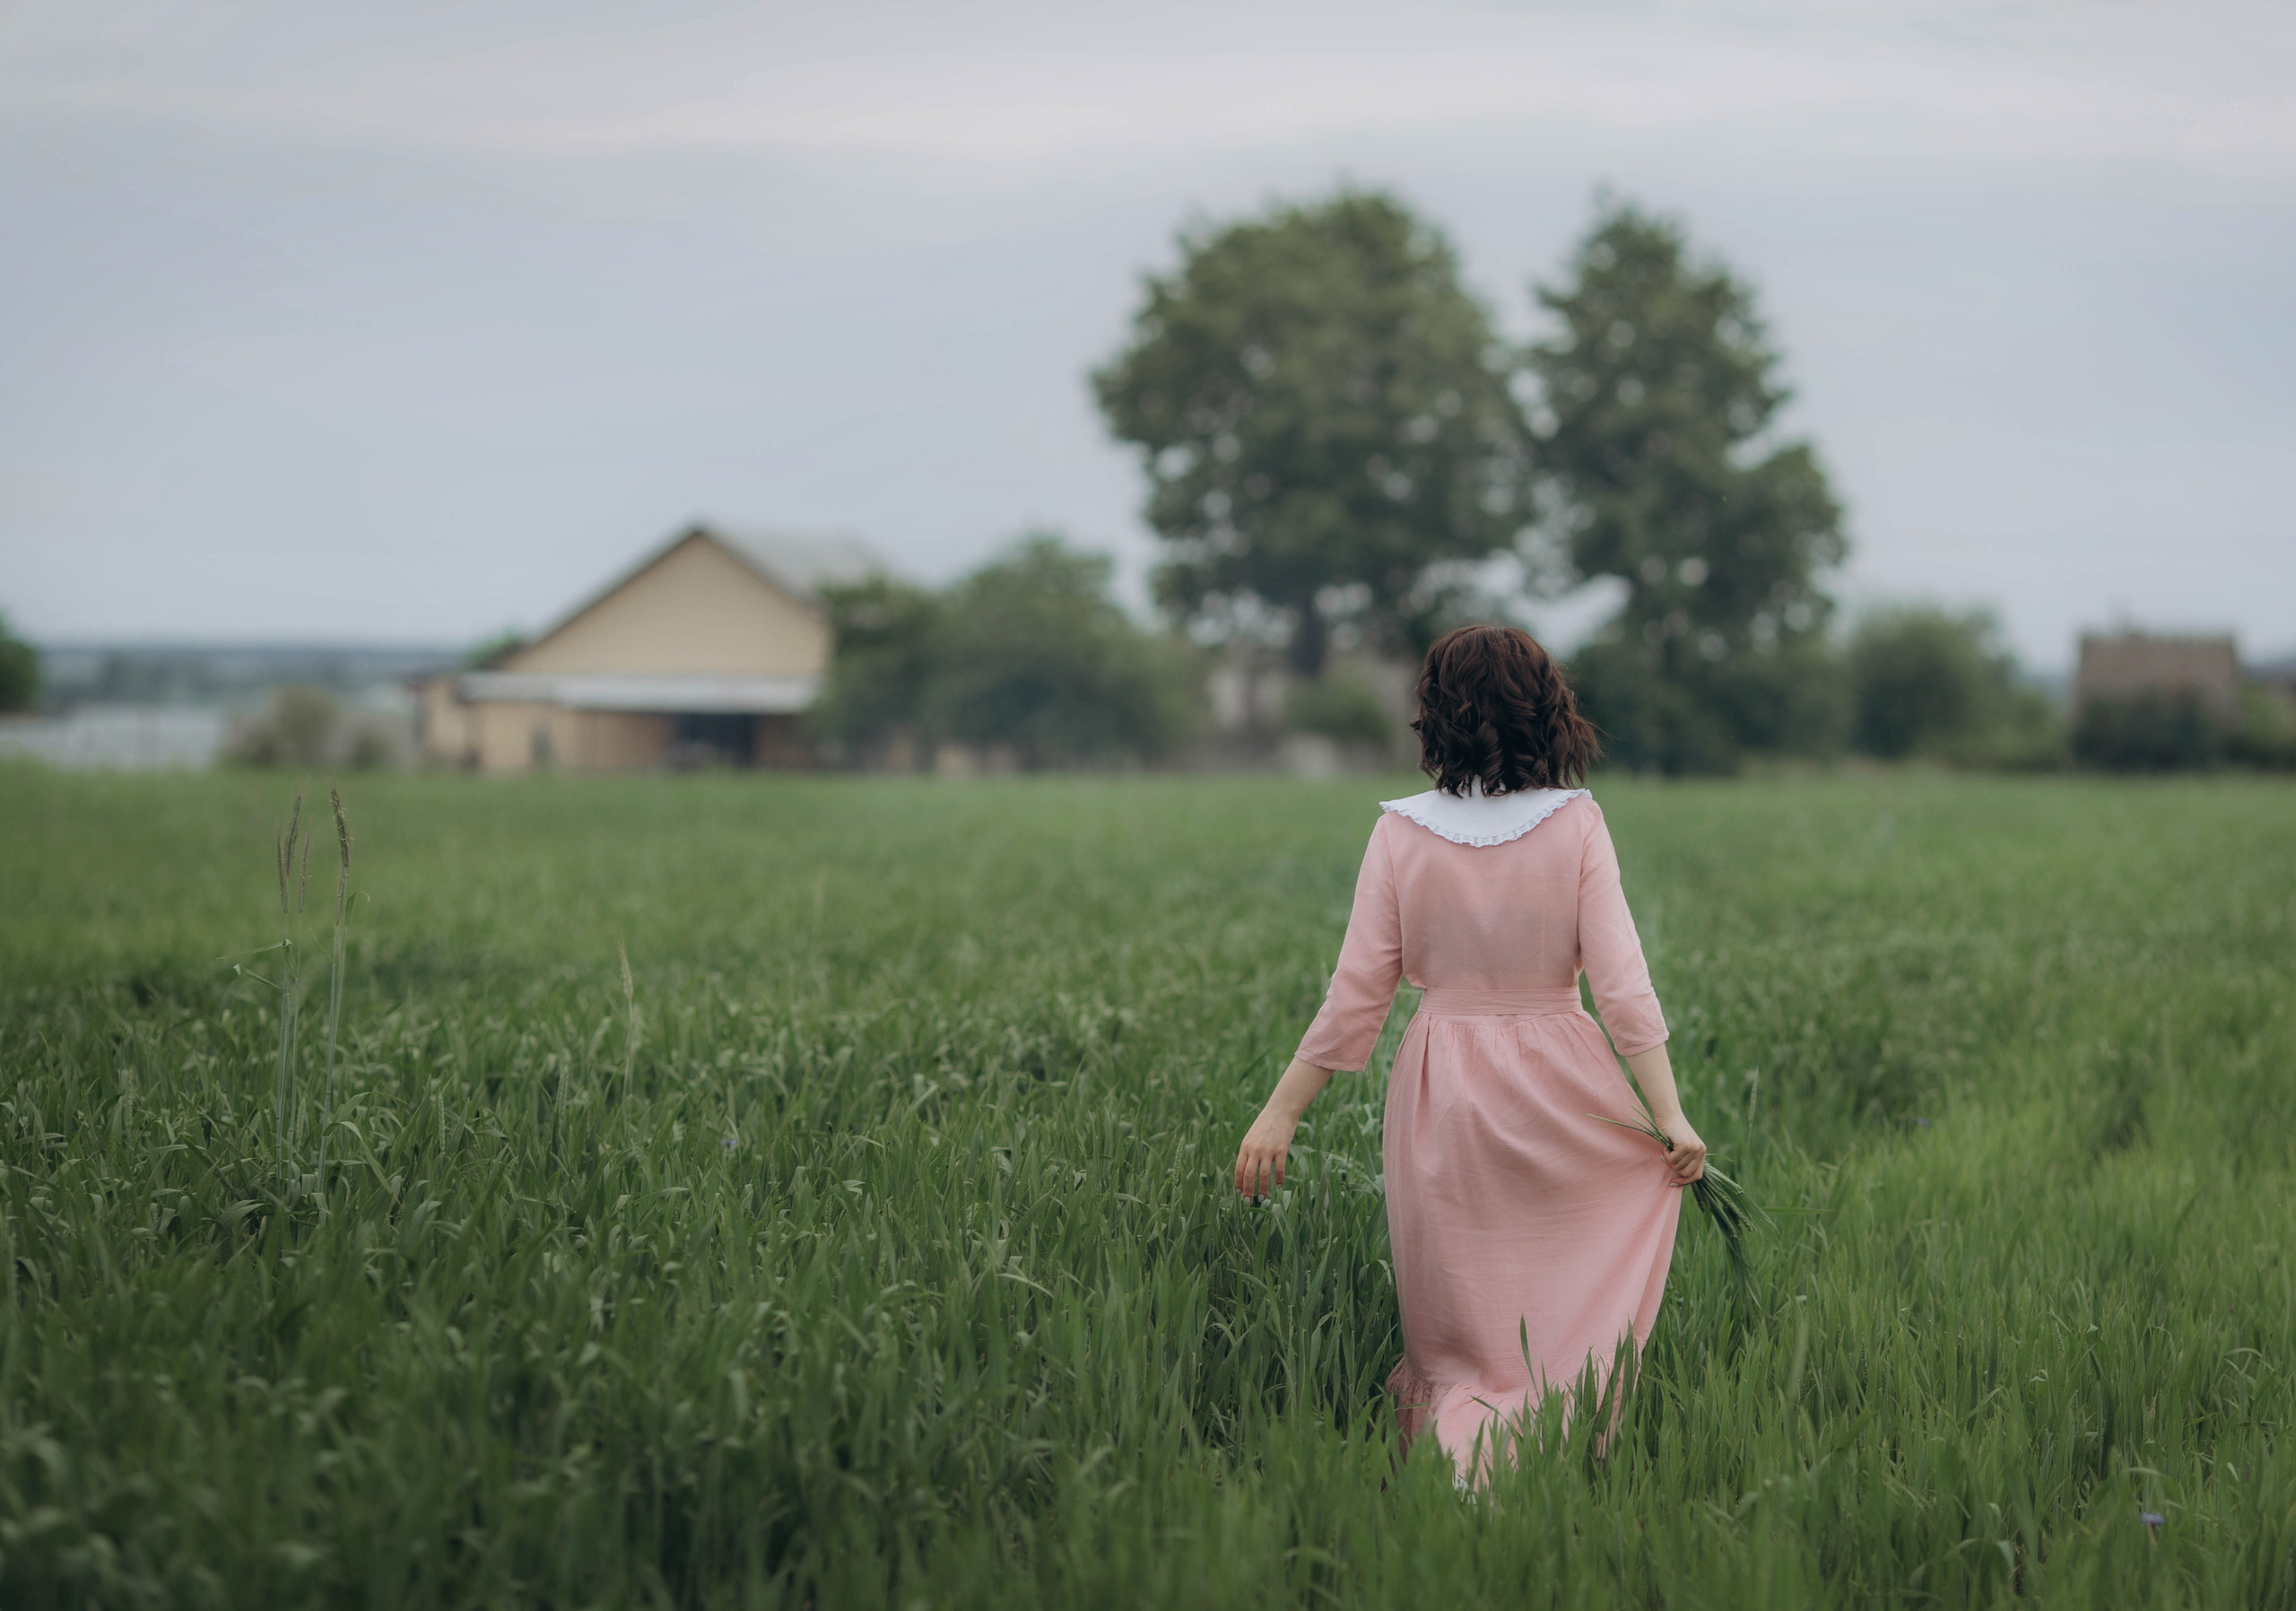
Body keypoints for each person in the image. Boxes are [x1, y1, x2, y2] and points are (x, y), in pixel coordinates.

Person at [1232, 623, 1706, 1485]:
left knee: (1466, 1329)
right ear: (1544, 708)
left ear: (1436, 713)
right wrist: (1668, 1114)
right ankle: (1536, 1453)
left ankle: (1457, 1458)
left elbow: (1355, 996)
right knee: (1557, 1303)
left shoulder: (1400, 832)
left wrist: (1281, 1111)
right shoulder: (1577, 823)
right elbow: (1624, 987)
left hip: (1440, 1087)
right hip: (1566, 1079)